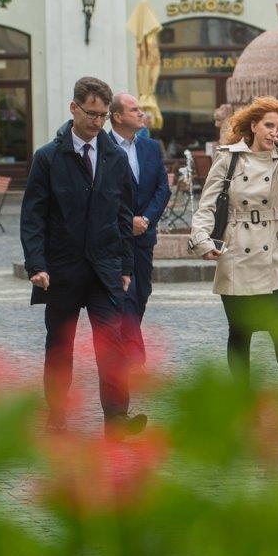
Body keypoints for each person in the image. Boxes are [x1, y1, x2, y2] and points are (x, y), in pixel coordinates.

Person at [20, 76, 146, 434]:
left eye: (104, 116)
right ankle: (57, 416)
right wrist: (37, 264)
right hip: (60, 268)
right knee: (60, 346)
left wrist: (125, 266)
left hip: (104, 268)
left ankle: (117, 419)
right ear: (74, 108)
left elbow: (124, 215)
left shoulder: (114, 157)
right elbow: (33, 217)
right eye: (91, 114)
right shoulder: (48, 157)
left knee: (111, 344)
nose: (97, 122)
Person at [189, 97, 278, 393]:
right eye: (269, 125)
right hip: (237, 252)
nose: (273, 132)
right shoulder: (228, 157)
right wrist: (202, 240)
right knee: (240, 333)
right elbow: (207, 205)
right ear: (253, 125)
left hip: (277, 255)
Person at [108, 94, 170, 368]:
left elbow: (162, 189)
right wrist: (125, 221)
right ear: (118, 116)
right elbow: (101, 193)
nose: (141, 113)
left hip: (144, 235)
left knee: (142, 292)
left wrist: (145, 219)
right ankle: (132, 357)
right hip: (114, 237)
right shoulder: (101, 146)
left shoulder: (151, 147)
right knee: (126, 295)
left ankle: (123, 343)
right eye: (135, 110)